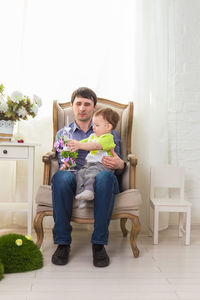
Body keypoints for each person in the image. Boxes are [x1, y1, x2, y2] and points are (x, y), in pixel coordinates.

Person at [51, 87, 126, 267]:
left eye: (87, 104)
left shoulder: (109, 132)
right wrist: (64, 165)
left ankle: (99, 244)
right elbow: (63, 160)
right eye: (78, 104)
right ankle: (62, 243)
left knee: (106, 179)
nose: (82, 108)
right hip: (74, 175)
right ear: (72, 106)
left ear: (94, 107)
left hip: (101, 175)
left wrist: (121, 164)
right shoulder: (64, 134)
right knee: (61, 177)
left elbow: (116, 162)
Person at [68, 108, 120, 209]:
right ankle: (83, 197)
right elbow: (84, 142)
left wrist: (79, 145)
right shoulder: (93, 136)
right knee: (80, 174)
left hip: (102, 166)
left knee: (91, 173)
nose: (93, 127)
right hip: (90, 164)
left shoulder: (108, 138)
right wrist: (74, 143)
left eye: (96, 125)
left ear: (108, 127)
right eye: (93, 124)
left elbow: (95, 146)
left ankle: (88, 191)